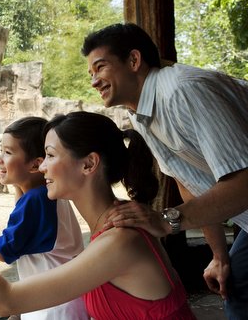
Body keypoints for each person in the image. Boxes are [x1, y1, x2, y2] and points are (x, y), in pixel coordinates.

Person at [0, 111, 196, 319]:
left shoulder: (120, 239)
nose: (42, 167)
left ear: (89, 164)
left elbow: (5, 300)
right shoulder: (113, 224)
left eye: (50, 156)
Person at [82, 23, 248, 319]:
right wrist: (219, 256)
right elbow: (189, 181)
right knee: (236, 288)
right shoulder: (141, 115)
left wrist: (168, 220)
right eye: (90, 74)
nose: (94, 81)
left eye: (100, 67)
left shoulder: (184, 92)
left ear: (134, 60)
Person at [0, 116, 87, 320]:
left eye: (8, 152)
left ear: (35, 165)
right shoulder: (49, 193)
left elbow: (3, 251)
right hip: (65, 304)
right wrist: (17, 181)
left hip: (52, 311)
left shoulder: (35, 200)